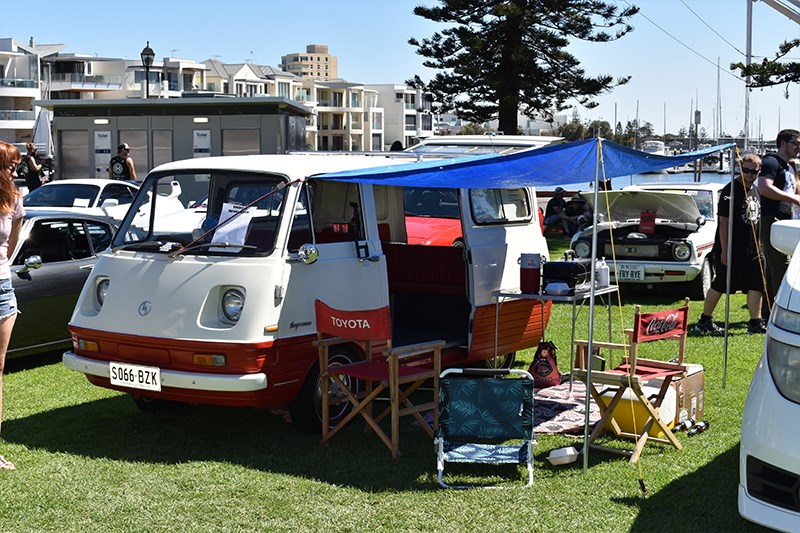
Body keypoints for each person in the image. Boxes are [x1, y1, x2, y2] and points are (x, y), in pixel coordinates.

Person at [695, 153, 766, 335]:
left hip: (753, 249)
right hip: (732, 249)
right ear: (739, 169)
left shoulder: (755, 190)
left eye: (753, 171)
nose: (749, 174)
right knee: (721, 284)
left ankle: (755, 322)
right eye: (746, 170)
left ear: (759, 171)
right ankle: (704, 321)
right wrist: (725, 251)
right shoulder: (730, 191)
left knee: (756, 284)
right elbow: (724, 223)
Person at [0, 141, 26, 471]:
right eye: (9, 164)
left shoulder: (15, 200)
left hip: (3, 289)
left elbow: (13, 241)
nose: (14, 170)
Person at [757, 129, 800, 312]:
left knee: (779, 267)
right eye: (795, 143)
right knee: (780, 266)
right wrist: (793, 199)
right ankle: (781, 312)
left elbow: (793, 189)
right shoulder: (771, 162)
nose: (799, 147)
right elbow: (764, 187)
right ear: (783, 143)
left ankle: (768, 311)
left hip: (787, 221)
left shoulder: (789, 166)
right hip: (772, 221)